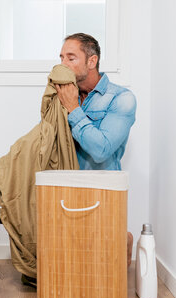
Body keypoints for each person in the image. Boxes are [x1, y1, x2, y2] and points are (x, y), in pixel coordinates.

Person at [55, 33, 136, 265]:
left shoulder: (122, 99)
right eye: (61, 57)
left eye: (71, 58)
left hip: (101, 189)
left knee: (101, 269)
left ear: (92, 62)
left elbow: (101, 149)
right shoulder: (62, 93)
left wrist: (73, 108)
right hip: (66, 184)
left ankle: (123, 237)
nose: (63, 64)